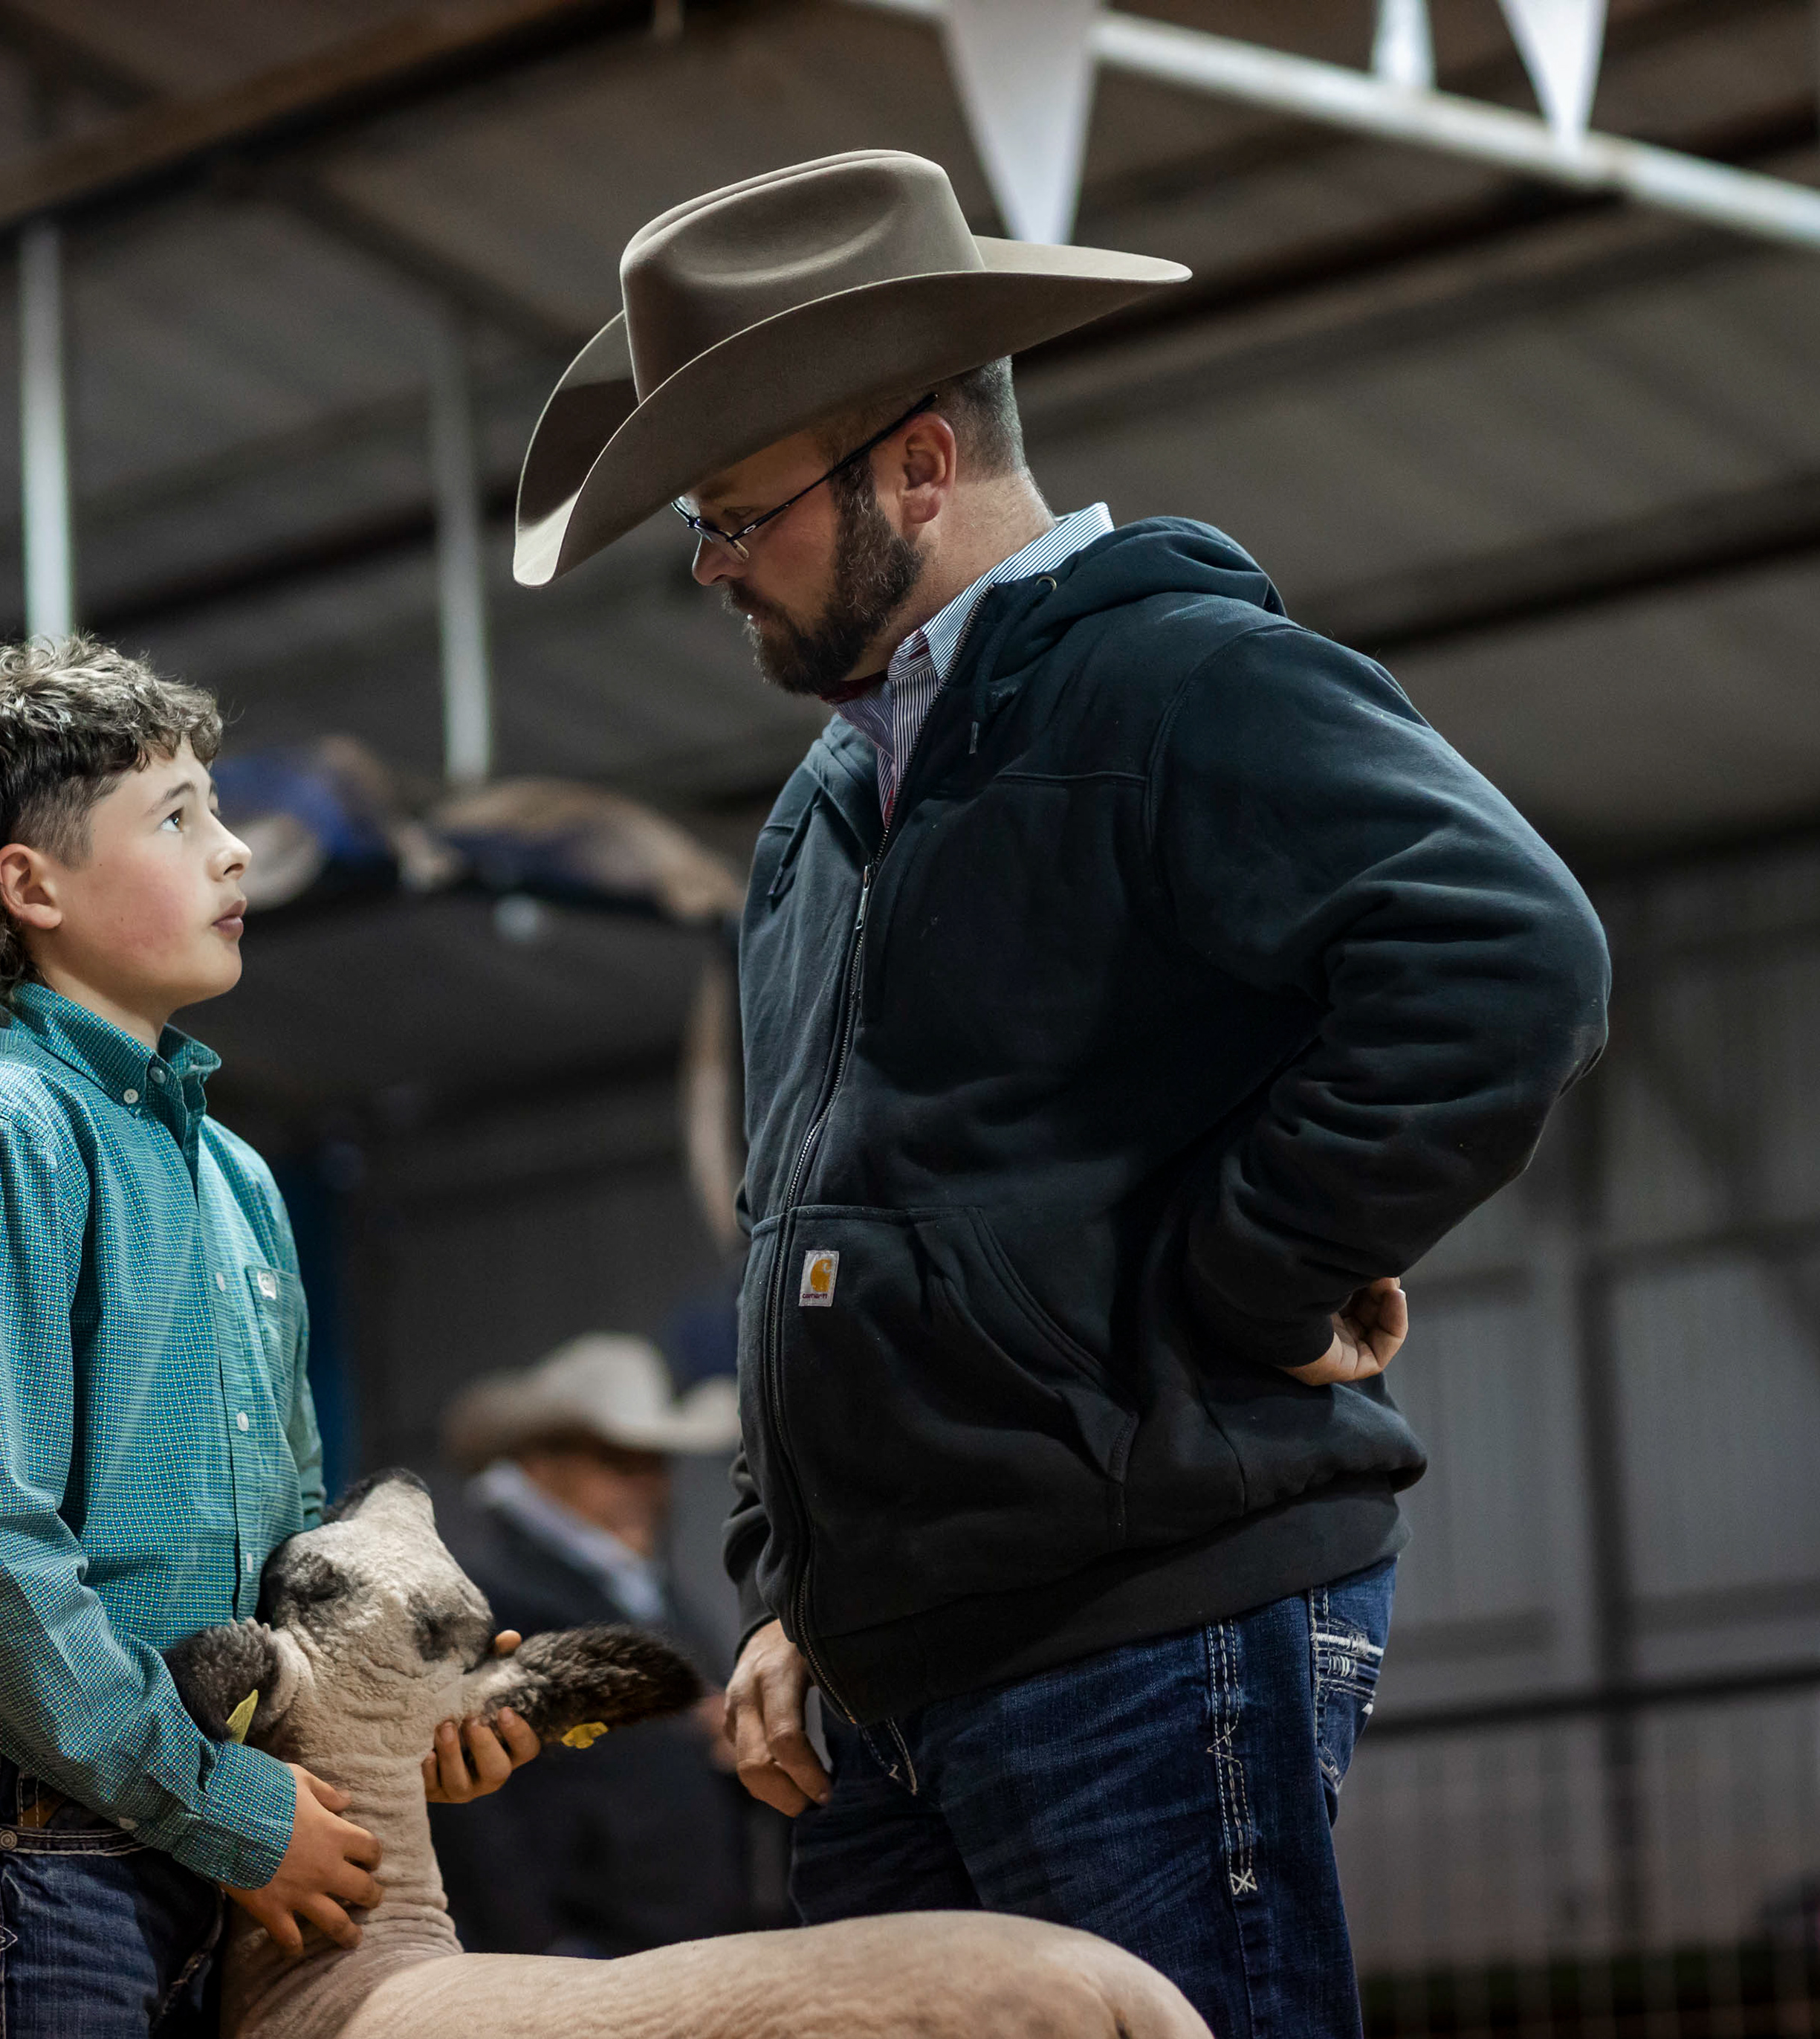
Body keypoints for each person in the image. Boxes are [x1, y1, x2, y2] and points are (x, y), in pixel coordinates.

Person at [510, 151, 1611, 2037]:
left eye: (738, 514)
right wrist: (790, 1596)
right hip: (893, 1675)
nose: (710, 566)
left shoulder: (1177, 682)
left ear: (919, 467)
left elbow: (1507, 952)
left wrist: (1246, 1279)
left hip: (1137, 1618)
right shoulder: (821, 815)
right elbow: (803, 1216)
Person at [0, 638, 540, 2038]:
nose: (236, 850)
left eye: (217, 807)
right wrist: (220, 1803)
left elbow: (291, 1543)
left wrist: (405, 1716)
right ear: (32, 887)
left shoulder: (237, 1177)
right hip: (20, 1814)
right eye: (176, 816)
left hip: (201, 1796)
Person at [429, 1334, 749, 1955]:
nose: (646, 1484)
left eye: (655, 1462)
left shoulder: (650, 1591)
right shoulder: (483, 1593)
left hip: (681, 1937)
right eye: (617, 1461)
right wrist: (542, 1944)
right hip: (583, 1947)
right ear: (541, 1461)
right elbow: (467, 1807)